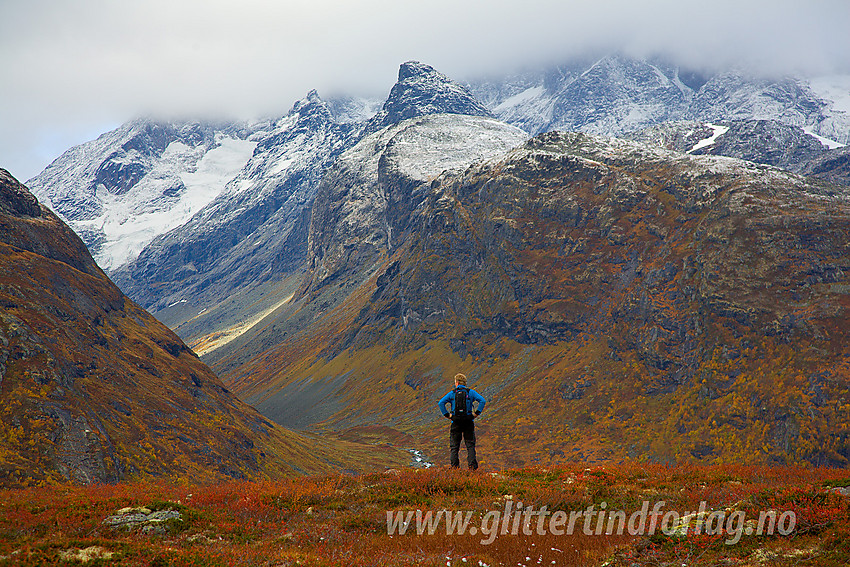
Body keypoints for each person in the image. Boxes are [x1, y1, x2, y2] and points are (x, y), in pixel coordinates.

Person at [437, 373, 486, 470]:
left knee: (454, 447)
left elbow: (441, 403)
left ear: (457, 382)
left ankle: (455, 468)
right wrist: (476, 414)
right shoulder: (470, 392)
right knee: (470, 445)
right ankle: (472, 467)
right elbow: (482, 401)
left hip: (455, 422)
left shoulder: (452, 393)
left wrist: (448, 415)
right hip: (468, 421)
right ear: (465, 383)